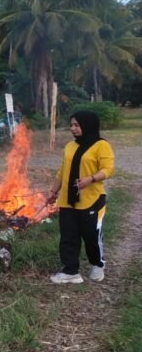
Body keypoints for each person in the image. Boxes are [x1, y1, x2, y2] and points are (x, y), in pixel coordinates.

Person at [46, 111, 114, 284]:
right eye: (71, 125)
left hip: (91, 199)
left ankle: (98, 264)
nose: (73, 129)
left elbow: (108, 169)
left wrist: (90, 179)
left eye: (77, 125)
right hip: (68, 199)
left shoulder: (101, 145)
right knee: (68, 236)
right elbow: (62, 172)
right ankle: (71, 271)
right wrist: (53, 192)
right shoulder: (70, 146)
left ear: (88, 124)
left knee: (91, 235)